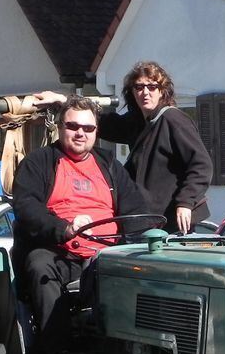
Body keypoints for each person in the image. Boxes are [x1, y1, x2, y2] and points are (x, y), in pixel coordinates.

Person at [13, 95, 147, 354]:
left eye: (88, 128)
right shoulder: (39, 163)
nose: (80, 133)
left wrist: (144, 236)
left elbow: (135, 209)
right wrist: (63, 228)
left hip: (107, 255)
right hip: (61, 254)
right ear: (60, 127)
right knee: (39, 266)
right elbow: (26, 206)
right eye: (73, 126)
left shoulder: (109, 166)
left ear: (96, 131)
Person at [37, 61, 212, 234]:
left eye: (152, 87)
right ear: (132, 92)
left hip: (172, 223)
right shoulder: (137, 123)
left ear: (162, 91)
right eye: (139, 87)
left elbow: (201, 165)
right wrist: (62, 100)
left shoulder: (173, 119)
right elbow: (101, 123)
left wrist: (185, 203)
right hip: (145, 220)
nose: (145, 92)